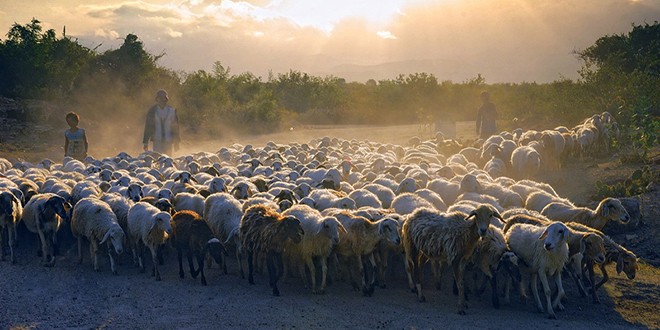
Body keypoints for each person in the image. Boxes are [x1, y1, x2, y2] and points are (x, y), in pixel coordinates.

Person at [143, 89, 180, 155]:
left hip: (168, 140)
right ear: (157, 99)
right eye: (160, 98)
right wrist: (145, 142)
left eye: (163, 98)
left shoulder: (172, 111)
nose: (162, 100)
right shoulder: (152, 111)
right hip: (157, 140)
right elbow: (148, 127)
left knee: (168, 161)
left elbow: (176, 128)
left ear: (166, 99)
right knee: (157, 160)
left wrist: (176, 142)